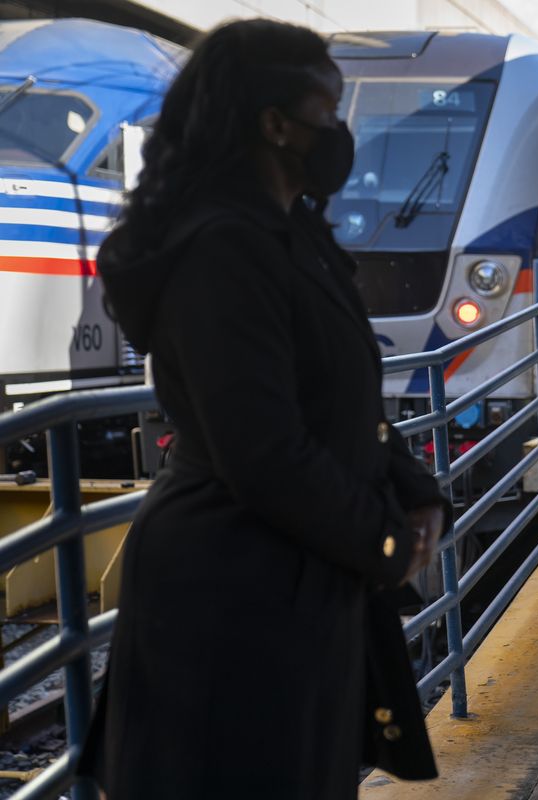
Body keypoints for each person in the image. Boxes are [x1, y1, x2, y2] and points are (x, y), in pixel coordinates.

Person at [79, 19, 447, 798]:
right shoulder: (219, 248)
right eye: (328, 109)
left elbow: (342, 398)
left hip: (292, 580)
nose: (341, 134)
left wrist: (415, 492)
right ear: (274, 121)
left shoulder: (289, 233)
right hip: (231, 598)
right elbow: (262, 448)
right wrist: (386, 542)